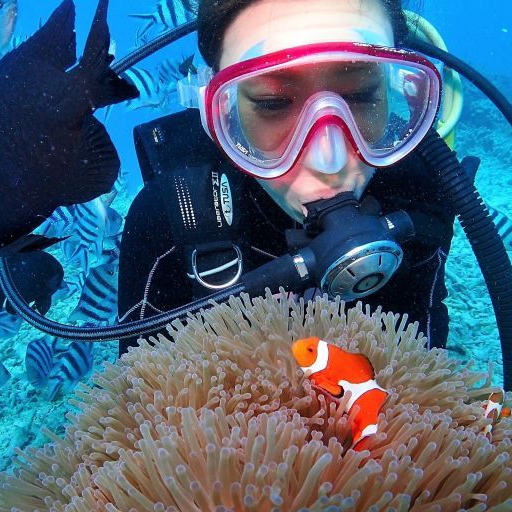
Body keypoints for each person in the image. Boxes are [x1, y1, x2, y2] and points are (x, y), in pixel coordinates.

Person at [117, 0, 457, 355]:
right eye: (273, 103)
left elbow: (424, 352)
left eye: (360, 95)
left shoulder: (421, 190)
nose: (329, 160)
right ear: (219, 112)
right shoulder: (171, 216)